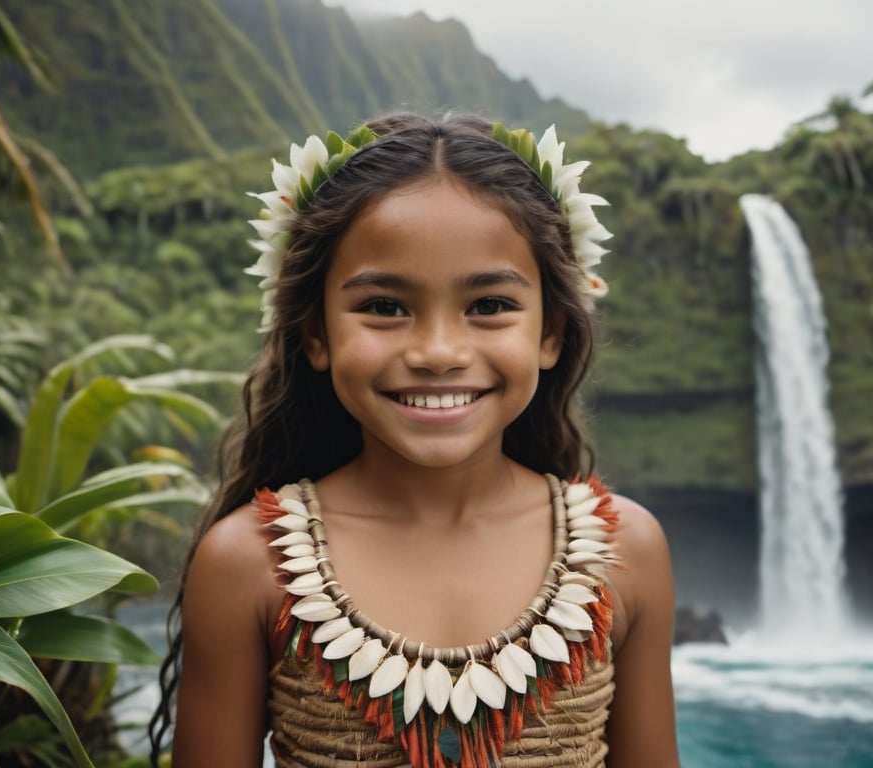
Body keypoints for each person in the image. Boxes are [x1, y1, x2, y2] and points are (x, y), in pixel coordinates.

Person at [150, 113, 679, 768]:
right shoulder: (247, 566)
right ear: (314, 333)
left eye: (488, 306)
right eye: (385, 307)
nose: (437, 353)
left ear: (552, 333)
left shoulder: (626, 554)